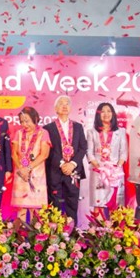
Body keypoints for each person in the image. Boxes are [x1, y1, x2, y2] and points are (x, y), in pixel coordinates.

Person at [43, 95, 87, 225]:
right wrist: (62, 164)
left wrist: (72, 164)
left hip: (73, 170)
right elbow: (49, 150)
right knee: (54, 203)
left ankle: (72, 232)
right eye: (61, 104)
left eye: (67, 103)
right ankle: (54, 232)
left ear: (70, 108)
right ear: (56, 109)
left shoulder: (78, 127)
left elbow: (83, 147)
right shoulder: (48, 128)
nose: (64, 106)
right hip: (55, 170)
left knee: (72, 202)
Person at [86, 102, 127, 219]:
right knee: (98, 203)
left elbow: (123, 153)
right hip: (98, 172)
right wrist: (100, 167)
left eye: (109, 111)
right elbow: (89, 152)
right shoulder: (91, 132)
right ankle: (98, 229)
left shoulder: (121, 131)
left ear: (113, 114)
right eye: (103, 111)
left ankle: (115, 229)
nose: (106, 114)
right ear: (98, 114)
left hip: (115, 174)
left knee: (115, 203)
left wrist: (116, 168)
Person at [11, 107, 50, 223]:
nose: (24, 124)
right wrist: (21, 169)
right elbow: (14, 154)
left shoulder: (43, 133)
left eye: (27, 121)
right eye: (22, 121)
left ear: (35, 119)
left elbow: (44, 154)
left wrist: (28, 168)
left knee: (36, 210)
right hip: (21, 175)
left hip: (37, 175)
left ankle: (35, 234)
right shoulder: (18, 133)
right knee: (21, 209)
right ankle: (19, 233)